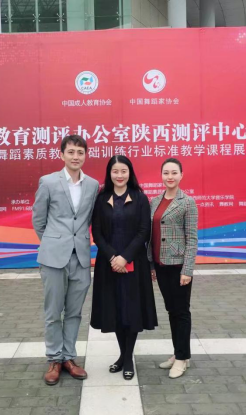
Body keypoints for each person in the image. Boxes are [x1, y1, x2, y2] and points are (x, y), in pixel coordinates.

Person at [32, 134, 100, 386]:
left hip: (80, 257)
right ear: (61, 154)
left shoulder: (93, 185)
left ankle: (69, 358)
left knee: (74, 312)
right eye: (71, 152)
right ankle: (54, 359)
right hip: (53, 257)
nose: (75, 157)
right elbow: (39, 219)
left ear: (85, 156)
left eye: (80, 152)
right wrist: (53, 242)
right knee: (53, 312)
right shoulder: (48, 182)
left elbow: (90, 218)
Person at [90, 155, 157, 380]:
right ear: (109, 174)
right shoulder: (101, 199)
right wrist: (113, 257)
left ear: (130, 173)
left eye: (124, 171)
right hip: (108, 264)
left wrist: (125, 257)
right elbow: (97, 232)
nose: (119, 175)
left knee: (132, 310)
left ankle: (128, 359)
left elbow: (144, 231)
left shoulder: (140, 198)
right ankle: (122, 355)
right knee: (116, 310)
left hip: (134, 263)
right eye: (115, 171)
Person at [148, 158, 198, 379]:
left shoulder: (188, 202)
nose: (170, 177)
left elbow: (192, 239)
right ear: (161, 175)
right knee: (171, 310)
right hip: (161, 264)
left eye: (174, 173)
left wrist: (187, 269)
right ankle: (179, 352)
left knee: (181, 311)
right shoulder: (155, 201)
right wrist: (151, 264)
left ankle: (182, 358)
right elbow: (151, 235)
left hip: (178, 265)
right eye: (166, 173)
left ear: (181, 175)